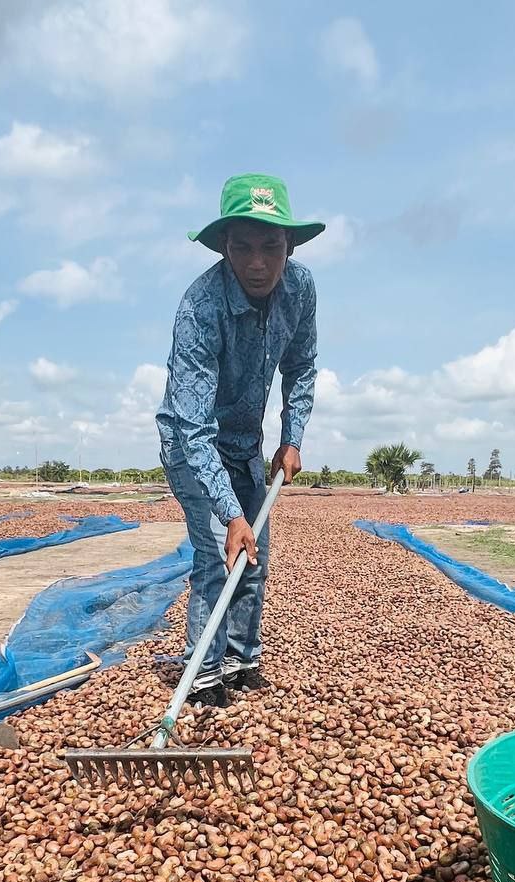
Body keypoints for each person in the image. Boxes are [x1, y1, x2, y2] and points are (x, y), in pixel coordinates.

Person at [156, 173, 324, 706]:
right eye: (243, 247)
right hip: (192, 445)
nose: (257, 263)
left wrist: (291, 437)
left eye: (270, 246)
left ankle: (241, 658)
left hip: (246, 444)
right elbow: (194, 427)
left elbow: (302, 365)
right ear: (224, 246)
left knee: (255, 557)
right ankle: (204, 676)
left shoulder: (301, 290)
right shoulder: (199, 308)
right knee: (216, 556)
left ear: (289, 246)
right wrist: (229, 514)